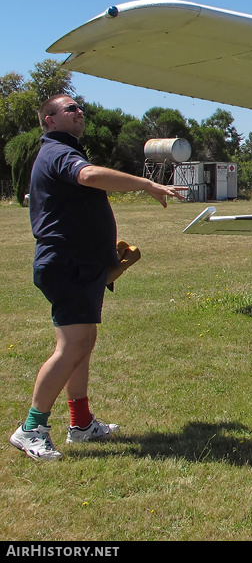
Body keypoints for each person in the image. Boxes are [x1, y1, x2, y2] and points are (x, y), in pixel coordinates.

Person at [9, 94, 185, 461]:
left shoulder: (64, 149)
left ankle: (81, 424)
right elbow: (87, 176)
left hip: (80, 265)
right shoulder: (57, 151)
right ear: (49, 121)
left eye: (79, 107)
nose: (79, 112)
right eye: (69, 108)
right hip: (66, 264)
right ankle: (30, 428)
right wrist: (145, 184)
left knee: (82, 343)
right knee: (72, 346)